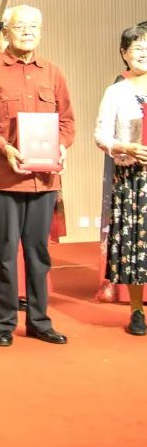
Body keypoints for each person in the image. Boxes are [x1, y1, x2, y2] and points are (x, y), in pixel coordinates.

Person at [0, 4, 74, 348]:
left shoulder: (52, 72)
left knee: (39, 254)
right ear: (6, 32)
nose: (28, 32)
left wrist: (62, 146)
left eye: (34, 26)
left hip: (44, 179)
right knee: (6, 252)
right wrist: (4, 147)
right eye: (20, 26)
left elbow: (67, 122)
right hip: (5, 177)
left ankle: (40, 321)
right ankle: (4, 323)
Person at [94, 24, 147, 335]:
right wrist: (124, 147)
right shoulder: (116, 91)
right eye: (137, 48)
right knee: (136, 247)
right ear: (124, 54)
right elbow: (100, 135)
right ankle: (137, 310)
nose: (143, 53)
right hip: (133, 178)